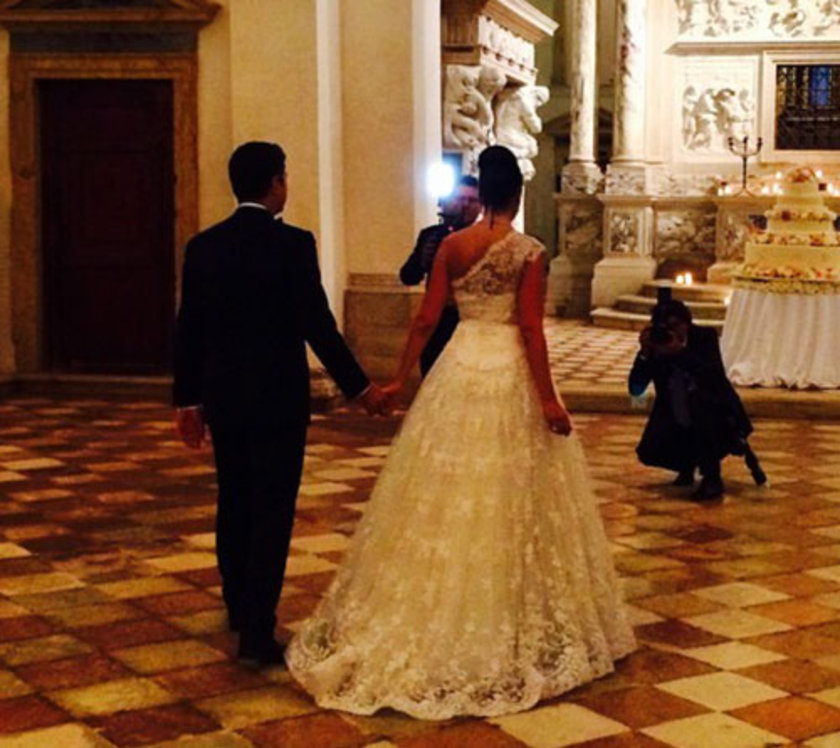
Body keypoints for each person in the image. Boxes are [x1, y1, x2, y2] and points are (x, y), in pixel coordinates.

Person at [286, 145, 635, 719]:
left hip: (459, 363)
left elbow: (426, 319)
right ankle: (510, 607)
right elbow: (531, 329)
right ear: (516, 194)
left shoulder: (451, 245)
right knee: (512, 490)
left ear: (483, 193)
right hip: (507, 369)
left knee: (445, 484)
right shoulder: (529, 251)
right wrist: (548, 397)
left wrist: (399, 379)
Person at [172, 141, 386, 665]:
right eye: (284, 177)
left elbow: (189, 329)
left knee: (234, 499)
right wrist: (360, 389)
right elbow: (318, 325)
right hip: (277, 399)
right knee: (272, 510)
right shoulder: (293, 245)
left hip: (224, 396)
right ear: (275, 183)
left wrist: (187, 400)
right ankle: (256, 633)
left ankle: (238, 605)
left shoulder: (203, 247)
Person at [629, 296, 753, 501]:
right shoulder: (656, 345)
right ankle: (685, 465)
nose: (671, 332)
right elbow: (636, 389)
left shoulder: (704, 337)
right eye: (664, 327)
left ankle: (712, 477)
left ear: (686, 323)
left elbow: (714, 377)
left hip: (716, 412)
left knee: (699, 406)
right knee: (649, 452)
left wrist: (680, 352)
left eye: (675, 325)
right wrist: (644, 353)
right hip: (674, 410)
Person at [399, 175, 481, 375]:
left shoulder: (483, 238)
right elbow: (408, 277)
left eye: (472, 200)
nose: (465, 205)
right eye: (461, 198)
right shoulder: (431, 235)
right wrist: (423, 258)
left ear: (481, 206)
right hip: (437, 324)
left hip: (470, 323)